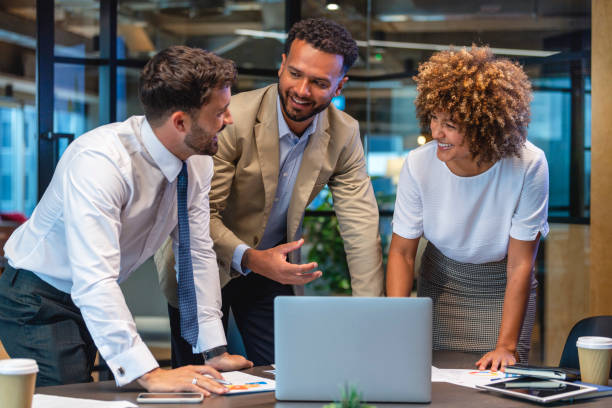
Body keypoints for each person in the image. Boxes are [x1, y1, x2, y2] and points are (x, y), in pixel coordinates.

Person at [0, 46, 252, 393]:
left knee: (97, 394)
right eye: (220, 112)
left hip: (90, 292)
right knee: (69, 396)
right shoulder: (100, 163)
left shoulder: (197, 161)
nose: (229, 120)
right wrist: (149, 374)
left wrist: (214, 349)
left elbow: (196, 252)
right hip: (39, 297)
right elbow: (95, 279)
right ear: (180, 121)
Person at [156, 18, 384, 367]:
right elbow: (200, 214)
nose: (303, 90)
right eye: (295, 74)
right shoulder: (231, 120)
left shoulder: (344, 133)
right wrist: (249, 257)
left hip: (269, 268)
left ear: (340, 86)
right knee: (196, 379)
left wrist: (371, 318)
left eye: (320, 82)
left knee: (286, 374)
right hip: (205, 260)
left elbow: (362, 228)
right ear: (281, 65)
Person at [386, 46, 549, 371]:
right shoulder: (419, 164)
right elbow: (402, 254)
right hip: (441, 284)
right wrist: (397, 327)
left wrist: (505, 345)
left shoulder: (528, 164)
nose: (435, 133)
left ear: (483, 124)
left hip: (502, 289)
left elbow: (520, 266)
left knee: (497, 386)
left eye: (451, 124)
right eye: (433, 118)